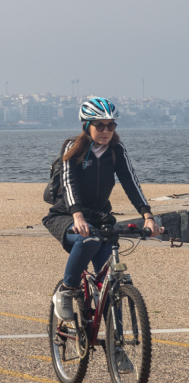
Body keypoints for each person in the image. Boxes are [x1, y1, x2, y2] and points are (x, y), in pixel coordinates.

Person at [44, 98, 160, 324]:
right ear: (87, 125)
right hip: (66, 215)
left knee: (109, 285)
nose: (106, 131)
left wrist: (148, 217)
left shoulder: (116, 150)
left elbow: (131, 183)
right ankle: (66, 290)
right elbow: (69, 184)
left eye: (111, 125)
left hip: (98, 217)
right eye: (100, 125)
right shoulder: (73, 147)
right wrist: (77, 216)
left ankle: (115, 348)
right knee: (89, 241)